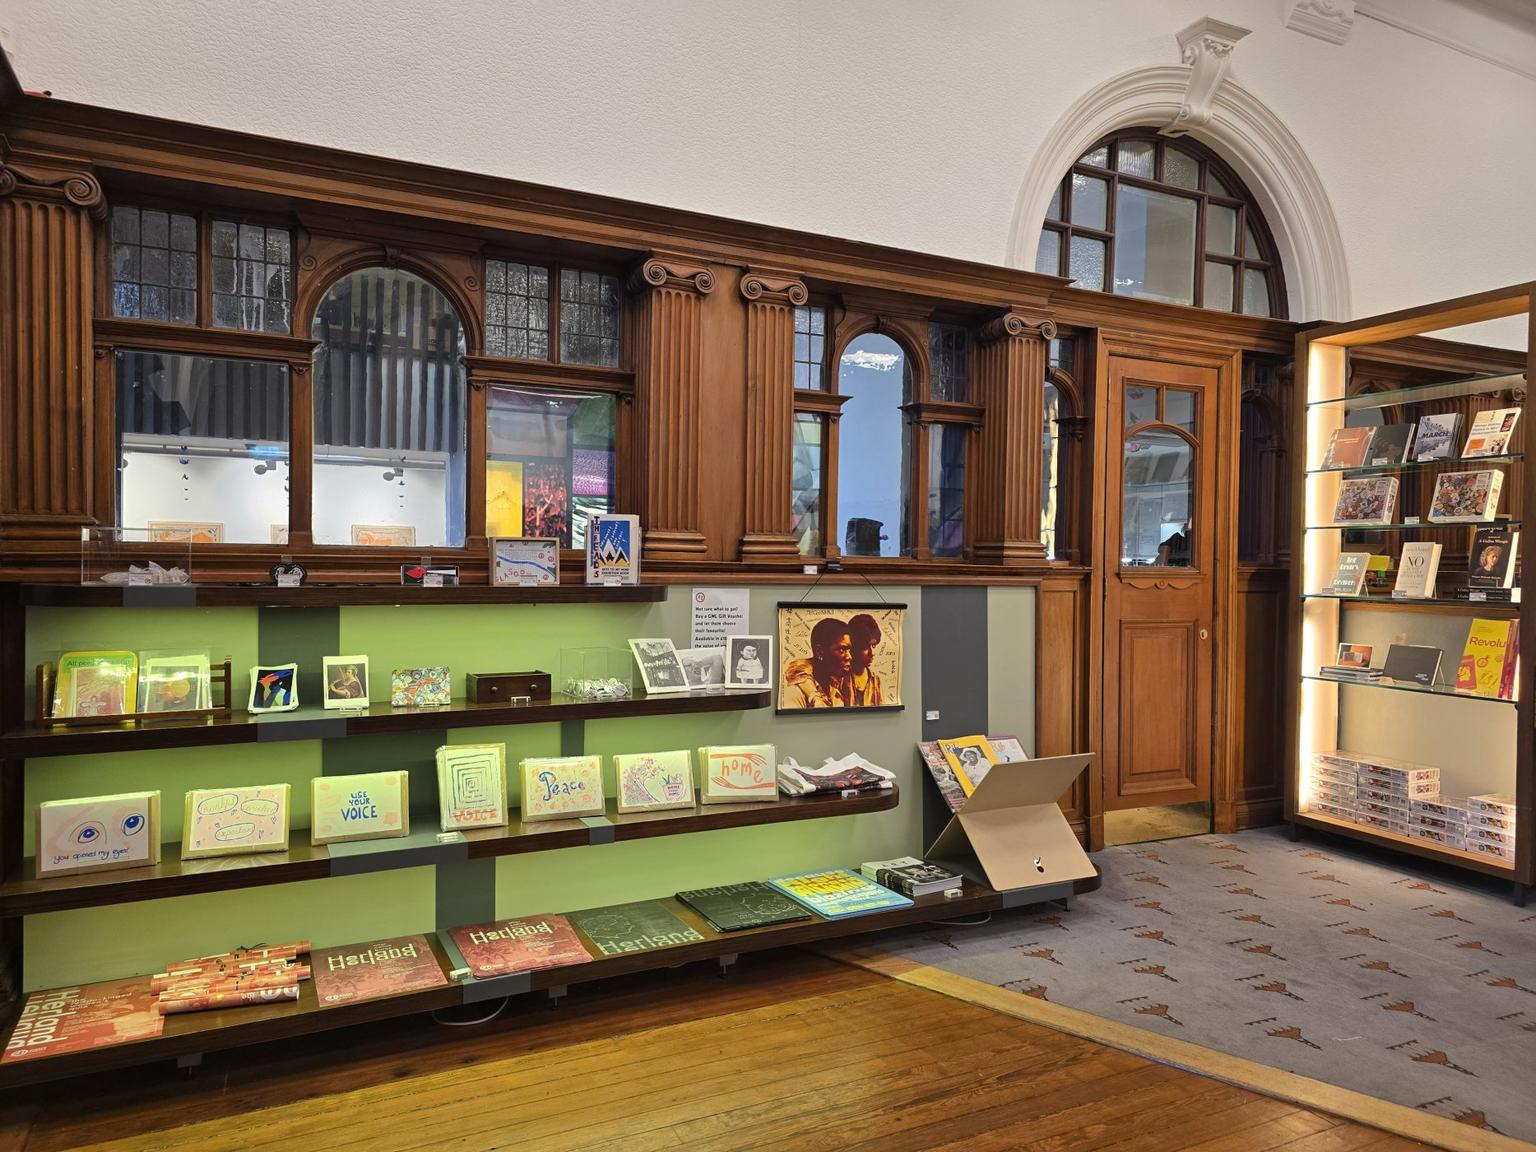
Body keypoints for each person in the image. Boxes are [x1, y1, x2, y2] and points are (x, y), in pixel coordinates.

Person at [781, 617, 853, 708]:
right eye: (842, 650)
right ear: (819, 652)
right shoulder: (795, 692)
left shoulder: (835, 691)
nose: (849, 657)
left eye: (849, 650)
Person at [844, 613, 885, 706]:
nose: (872, 653)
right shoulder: (840, 679)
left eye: (874, 645)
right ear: (854, 646)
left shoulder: (875, 681)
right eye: (866, 646)